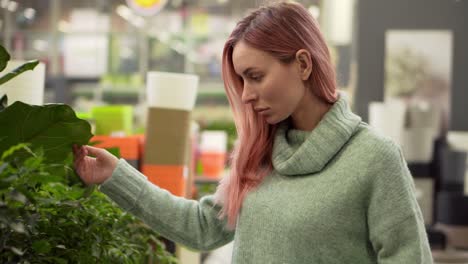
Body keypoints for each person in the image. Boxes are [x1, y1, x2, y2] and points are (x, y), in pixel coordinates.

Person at [73, 2, 433, 263]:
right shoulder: (262, 154)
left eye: (255, 77)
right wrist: (115, 176)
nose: (245, 94)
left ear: (303, 64)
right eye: (241, 80)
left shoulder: (374, 158)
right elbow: (202, 227)